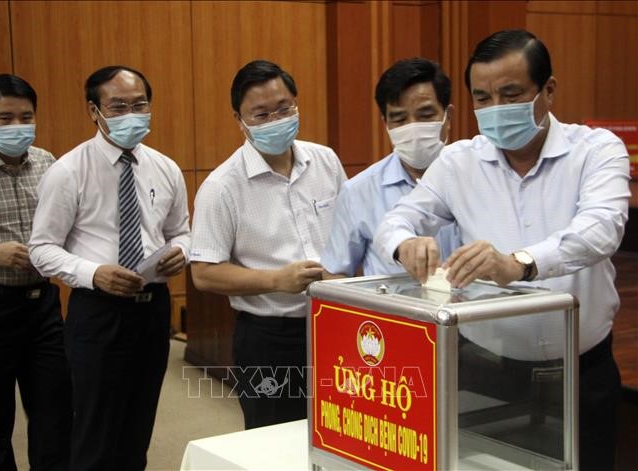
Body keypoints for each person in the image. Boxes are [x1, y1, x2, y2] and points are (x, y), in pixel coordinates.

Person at [375, 30, 629, 471]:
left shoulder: (596, 150)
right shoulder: (459, 161)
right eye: (482, 98)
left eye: (510, 95)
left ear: (548, 90)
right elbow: (397, 220)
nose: (495, 109)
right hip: (486, 371)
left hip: (582, 370)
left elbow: (602, 228)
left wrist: (519, 264)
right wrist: (405, 243)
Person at [28, 66, 190, 471]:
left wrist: (182, 251)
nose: (130, 115)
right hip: (98, 312)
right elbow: (41, 249)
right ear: (93, 111)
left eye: (139, 105)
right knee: (96, 431)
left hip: (152, 307)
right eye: (118, 107)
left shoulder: (166, 168)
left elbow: (181, 232)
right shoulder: (69, 170)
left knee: (138, 426)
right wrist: (93, 273)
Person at [190, 60, 347, 429]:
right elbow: (204, 274)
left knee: (341, 431)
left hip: (336, 325)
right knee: (275, 439)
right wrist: (276, 280)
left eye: (284, 109)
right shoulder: (222, 186)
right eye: (261, 114)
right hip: (271, 337)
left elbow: (351, 230)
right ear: (239, 119)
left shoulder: (325, 160)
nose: (276, 120)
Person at [0, 74, 72, 471]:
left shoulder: (48, 162)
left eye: (26, 117)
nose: (18, 126)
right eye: (6, 118)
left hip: (42, 303)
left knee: (55, 411)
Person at [321, 57, 459, 278]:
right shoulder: (358, 192)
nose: (413, 127)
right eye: (400, 119)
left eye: (425, 115)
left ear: (448, 117)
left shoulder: (476, 176)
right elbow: (335, 274)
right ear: (386, 124)